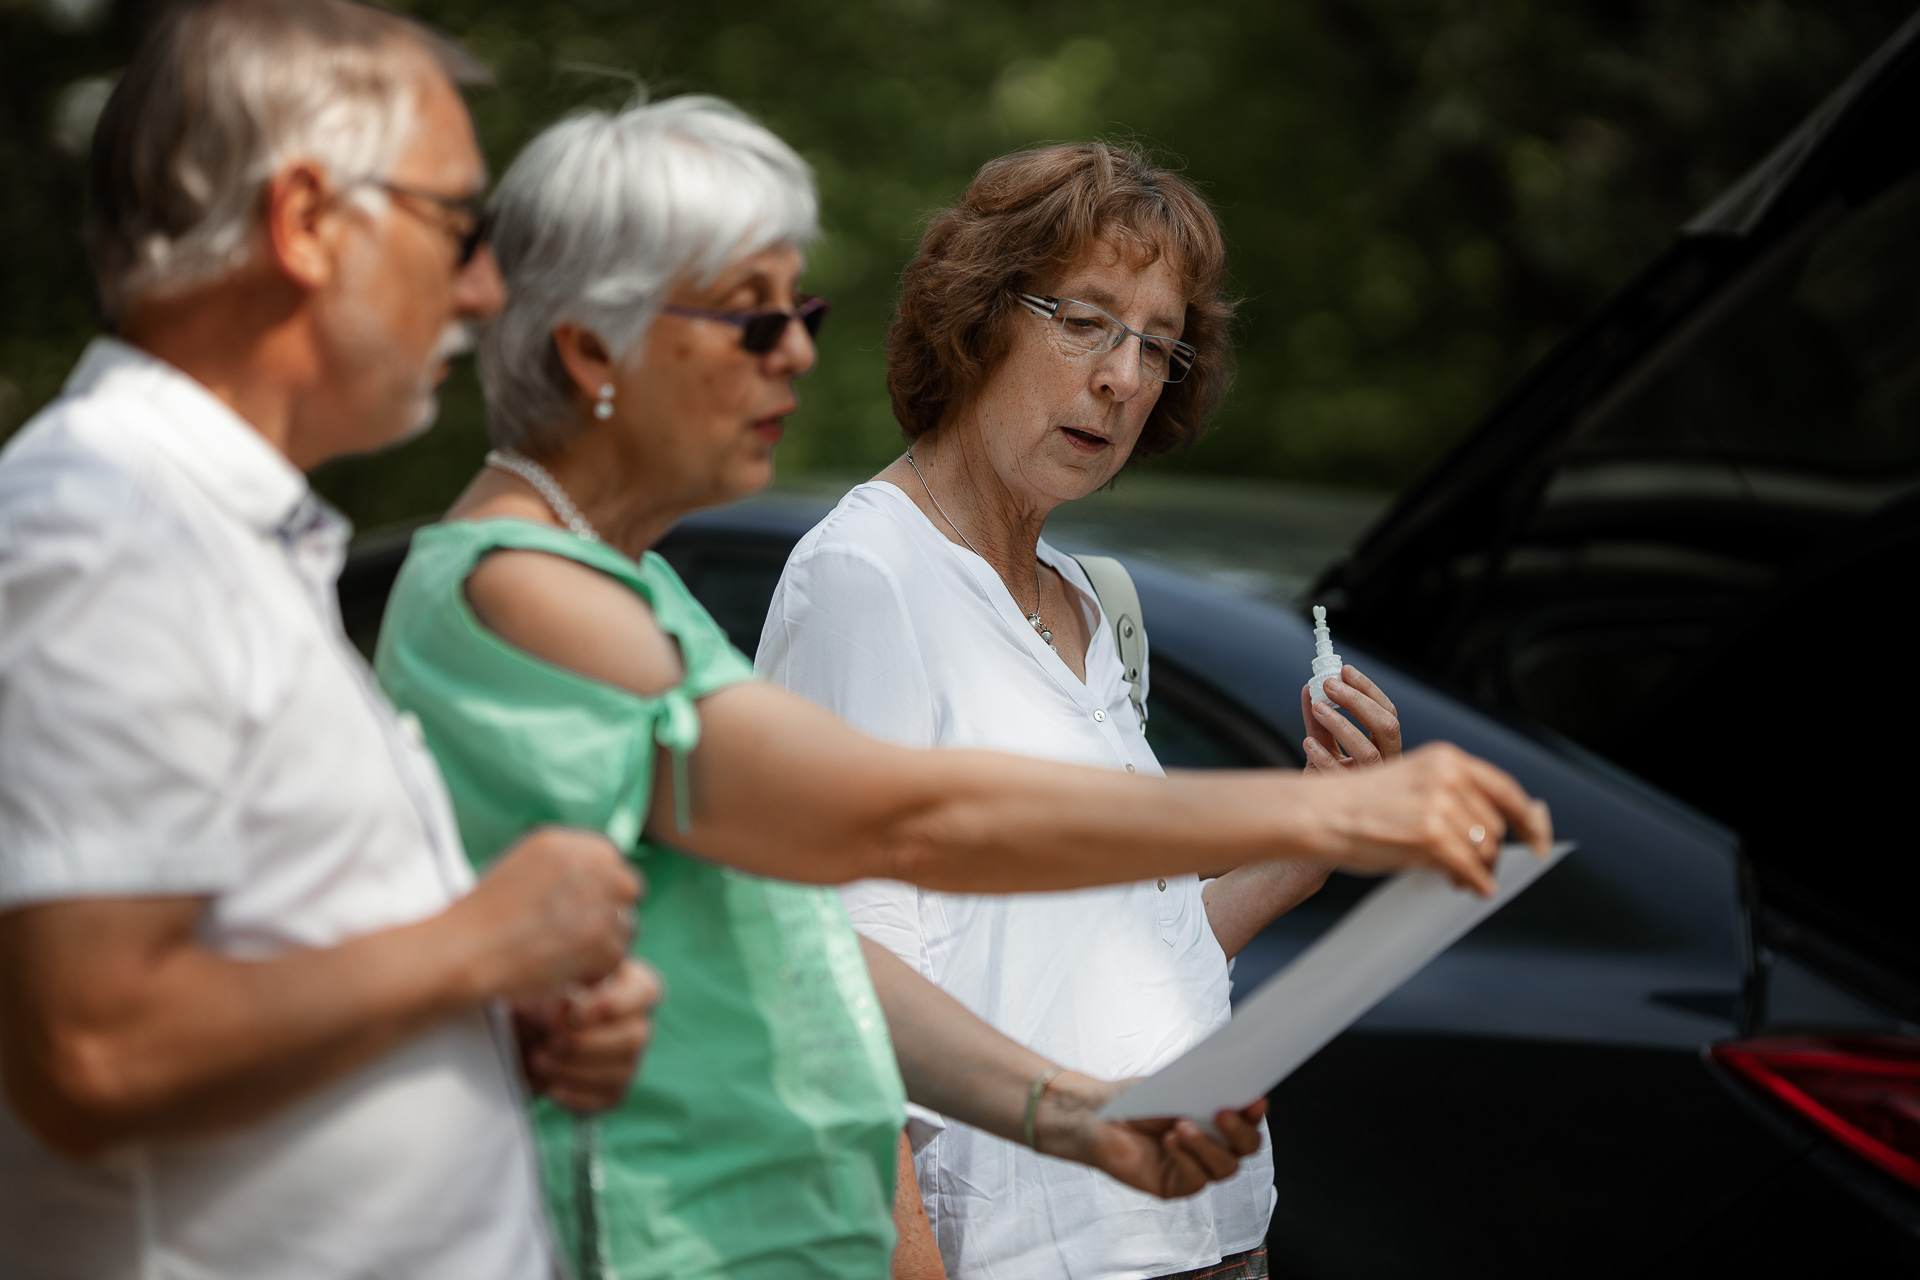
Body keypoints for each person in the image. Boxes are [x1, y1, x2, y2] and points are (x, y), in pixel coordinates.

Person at [371, 95, 1553, 1280]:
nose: (795, 348)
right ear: (594, 352)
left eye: (798, 308)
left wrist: (1074, 1113)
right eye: (751, 316)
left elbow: (822, 954)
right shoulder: (530, 586)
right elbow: (903, 817)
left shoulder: (641, 594)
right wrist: (1317, 810)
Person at [0, 4, 658, 1277]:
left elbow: (243, 982)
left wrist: (481, 1018)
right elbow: (94, 1047)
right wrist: (482, 943)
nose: (483, 287)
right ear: (304, 220)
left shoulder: (201, 525)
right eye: (457, 227)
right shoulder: (105, 525)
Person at [756, 141, 1416, 1280]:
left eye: (1158, 344)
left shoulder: (1089, 599)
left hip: (1210, 1232)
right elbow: (829, 991)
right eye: (1085, 321)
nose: (1121, 376)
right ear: (977, 316)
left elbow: (1114, 956)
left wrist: (1308, 845)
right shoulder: (870, 577)